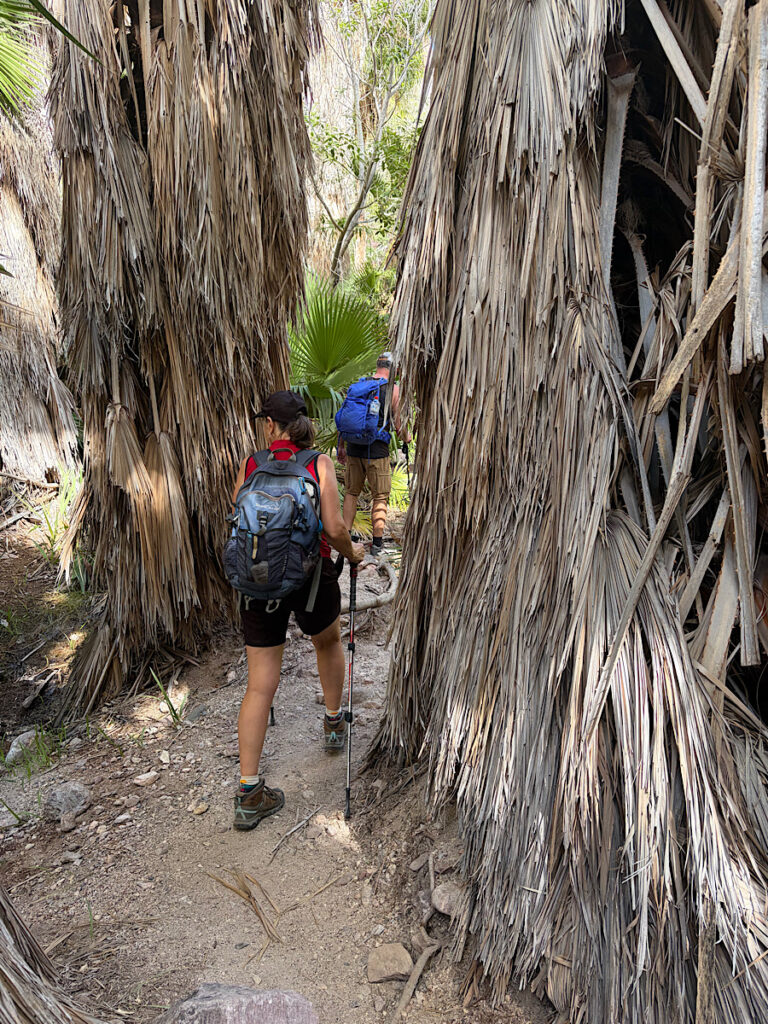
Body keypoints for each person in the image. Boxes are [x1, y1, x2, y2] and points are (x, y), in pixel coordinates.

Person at [231, 391, 365, 831]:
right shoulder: (318, 464)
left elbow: (236, 518)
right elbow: (334, 528)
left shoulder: (252, 465)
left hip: (257, 580)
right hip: (310, 577)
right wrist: (354, 553)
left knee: (260, 682)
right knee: (327, 642)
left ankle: (249, 793)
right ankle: (332, 724)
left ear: (271, 426)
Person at [337, 352, 411, 555]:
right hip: (377, 451)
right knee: (380, 496)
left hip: (353, 447)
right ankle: (377, 545)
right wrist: (407, 439)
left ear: (378, 365)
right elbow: (398, 425)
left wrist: (341, 446)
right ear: (393, 369)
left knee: (352, 492)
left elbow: (346, 417)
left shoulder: (359, 385)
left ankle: (347, 536)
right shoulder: (393, 389)